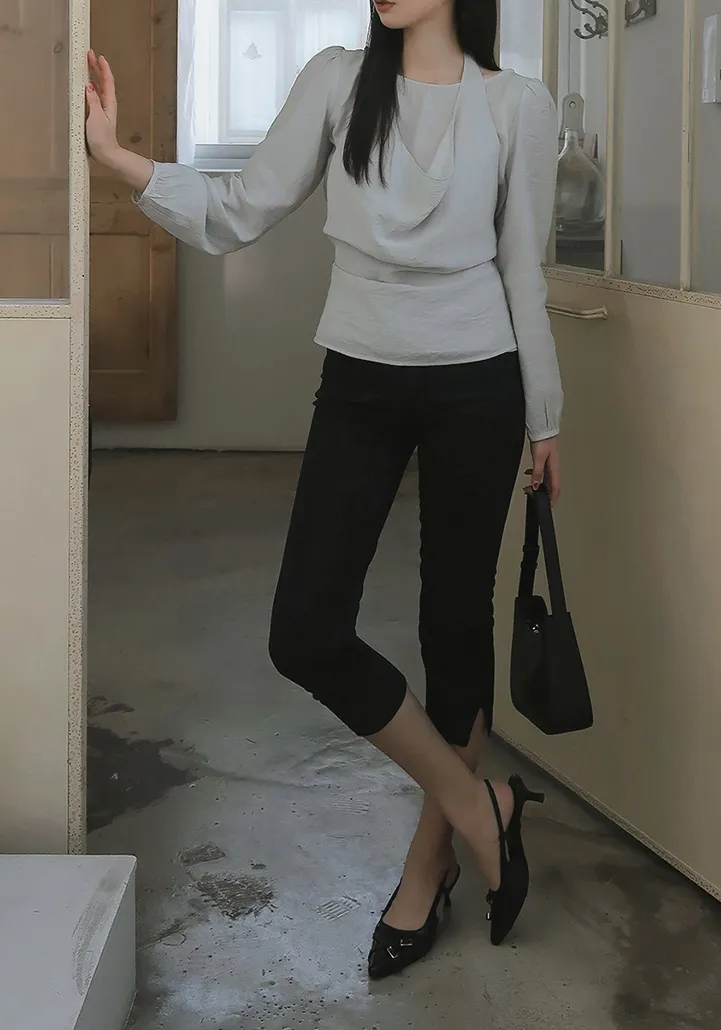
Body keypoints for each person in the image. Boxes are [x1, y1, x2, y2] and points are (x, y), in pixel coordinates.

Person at [86, 0, 562, 980]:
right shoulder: (340, 82)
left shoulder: (517, 104)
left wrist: (545, 416)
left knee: (454, 629)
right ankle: (480, 806)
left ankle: (428, 867)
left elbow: (524, 269)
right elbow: (238, 209)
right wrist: (117, 159)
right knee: (305, 628)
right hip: (360, 379)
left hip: (480, 384)